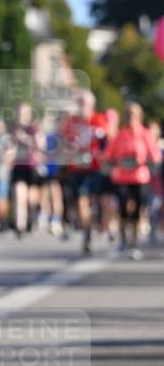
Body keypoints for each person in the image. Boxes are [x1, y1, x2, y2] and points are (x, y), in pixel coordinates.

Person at [103, 102, 162, 259]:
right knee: (122, 210)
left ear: (139, 116)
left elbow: (155, 156)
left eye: (133, 115)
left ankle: (134, 243)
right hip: (122, 178)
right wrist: (116, 162)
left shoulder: (145, 134)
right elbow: (108, 156)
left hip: (140, 177)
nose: (130, 118)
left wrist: (144, 161)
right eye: (128, 114)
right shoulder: (119, 135)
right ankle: (123, 240)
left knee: (136, 211)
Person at [58, 90, 109, 253]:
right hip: (76, 167)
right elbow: (63, 142)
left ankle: (94, 227)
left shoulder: (99, 120)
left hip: (94, 167)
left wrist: (100, 154)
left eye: (84, 103)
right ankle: (87, 231)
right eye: (79, 103)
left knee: (94, 200)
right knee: (80, 202)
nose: (81, 107)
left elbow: (106, 142)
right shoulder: (70, 122)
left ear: (91, 105)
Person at [9, 102, 46, 237]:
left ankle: (33, 217)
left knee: (31, 199)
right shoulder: (13, 129)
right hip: (18, 167)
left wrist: (24, 138)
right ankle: (20, 226)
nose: (21, 116)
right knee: (19, 195)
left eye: (24, 113)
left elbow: (41, 145)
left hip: (32, 167)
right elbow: (8, 147)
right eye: (19, 113)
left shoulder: (34, 129)